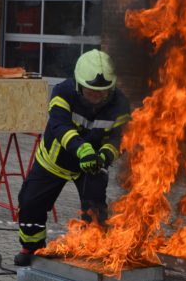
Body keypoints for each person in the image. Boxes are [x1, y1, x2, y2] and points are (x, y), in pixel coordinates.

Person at [14, 49, 131, 266]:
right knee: (30, 203)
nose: (96, 98)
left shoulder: (120, 105)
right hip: (53, 162)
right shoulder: (62, 93)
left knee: (95, 210)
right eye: (90, 92)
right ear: (78, 86)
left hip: (92, 166)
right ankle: (31, 249)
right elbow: (59, 126)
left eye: (102, 93)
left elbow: (120, 138)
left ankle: (92, 251)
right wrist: (81, 149)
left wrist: (105, 155)